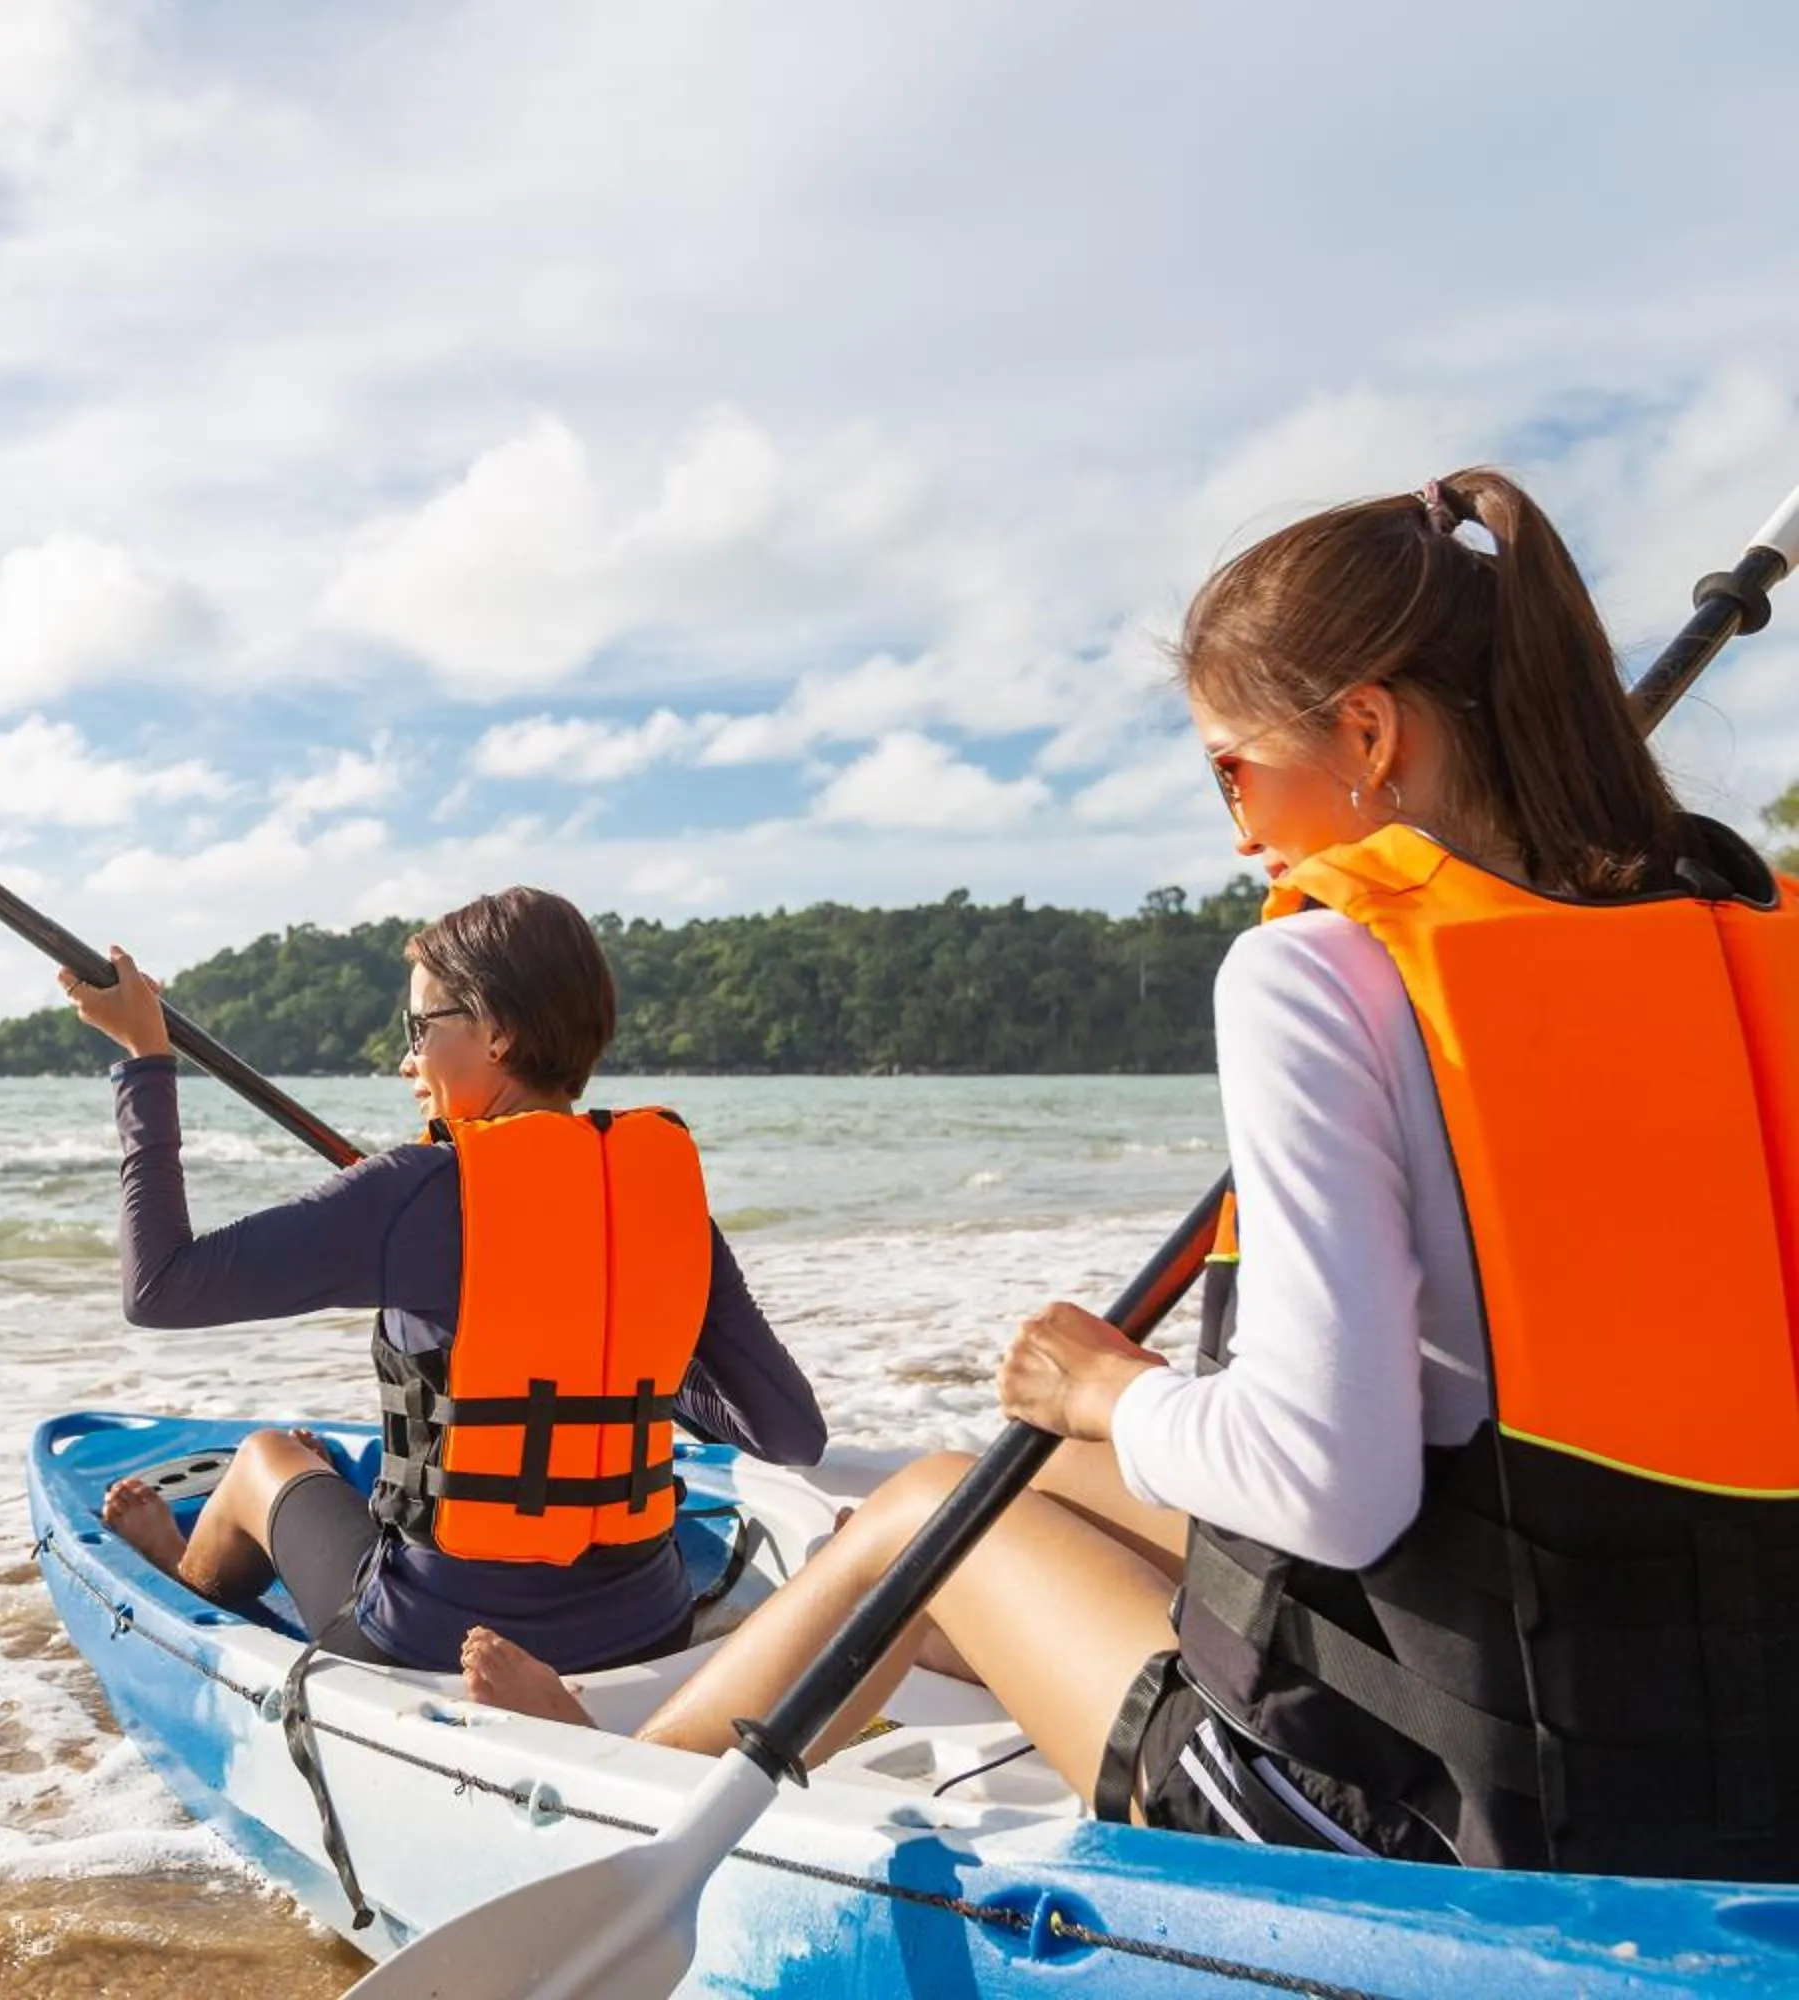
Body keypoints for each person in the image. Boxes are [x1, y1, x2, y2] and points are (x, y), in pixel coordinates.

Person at [462, 468, 1799, 1881]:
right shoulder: (1740, 949)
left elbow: (1329, 1486)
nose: (1235, 831)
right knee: (1046, 1482)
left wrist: (1104, 1388)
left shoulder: (1315, 971)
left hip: (1473, 1828)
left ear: (1366, 731)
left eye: (1233, 765)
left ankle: (617, 1818)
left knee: (930, 1510)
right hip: (1749, 1761)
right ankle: (738, 1725)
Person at [61, 886, 828, 1676]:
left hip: (432, 1643)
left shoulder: (418, 1189)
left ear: (496, 1032)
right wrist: (625, 1372)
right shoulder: (665, 1205)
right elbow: (791, 1433)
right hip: (644, 1633)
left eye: (418, 1028)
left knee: (265, 1459)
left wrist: (144, 1061)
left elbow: (158, 1285)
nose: (407, 1059)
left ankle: (185, 1578)